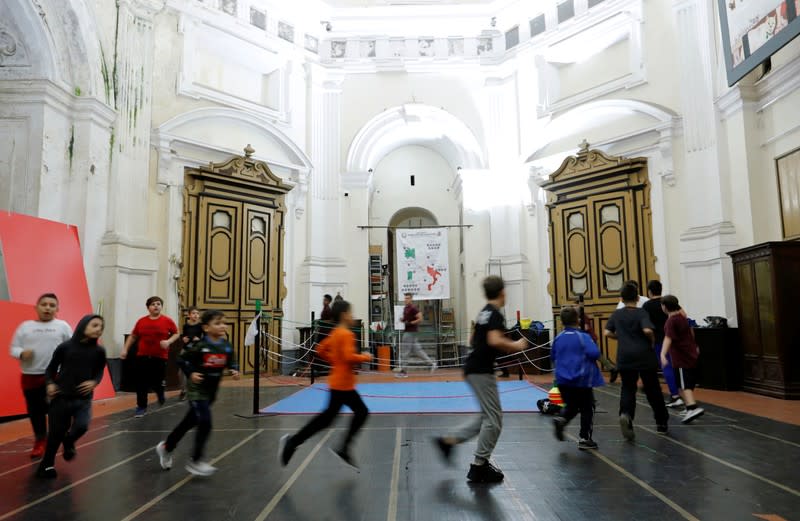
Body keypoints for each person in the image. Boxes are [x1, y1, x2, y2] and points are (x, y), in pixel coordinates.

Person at [433, 276, 527, 483]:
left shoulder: (483, 312)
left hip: (474, 367)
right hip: (481, 370)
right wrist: (517, 346)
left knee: (486, 417)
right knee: (494, 420)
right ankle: (479, 465)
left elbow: (473, 340)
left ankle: (448, 441)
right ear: (502, 292)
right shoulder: (494, 314)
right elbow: (494, 340)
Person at [279, 299, 372, 469]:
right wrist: (366, 357)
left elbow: (321, 349)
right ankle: (343, 447)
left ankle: (294, 441)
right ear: (344, 315)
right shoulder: (346, 334)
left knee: (327, 419)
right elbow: (348, 357)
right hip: (343, 385)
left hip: (339, 383)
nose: (352, 316)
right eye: (351, 313)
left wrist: (334, 362)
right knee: (361, 412)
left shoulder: (336, 333)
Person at [156, 310, 240, 476]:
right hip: (197, 391)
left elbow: (232, 361)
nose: (222, 326)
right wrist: (191, 373)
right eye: (217, 323)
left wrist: (233, 370)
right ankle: (196, 460)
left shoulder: (226, 346)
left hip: (211, 392)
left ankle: (166, 447)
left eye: (224, 322)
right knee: (205, 422)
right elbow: (182, 359)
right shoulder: (200, 346)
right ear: (206, 328)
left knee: (188, 422)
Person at [36, 314, 107, 478]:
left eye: (101, 327)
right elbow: (50, 369)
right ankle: (47, 465)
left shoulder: (99, 351)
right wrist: (50, 384)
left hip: (83, 399)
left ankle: (69, 442)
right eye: (95, 325)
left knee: (82, 426)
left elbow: (99, 371)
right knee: (55, 434)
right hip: (61, 397)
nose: (99, 330)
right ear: (83, 326)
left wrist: (94, 382)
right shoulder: (65, 347)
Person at [9, 293, 72, 458]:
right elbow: (13, 348)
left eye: (52, 305)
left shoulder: (63, 326)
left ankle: (65, 440)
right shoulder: (25, 326)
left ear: (57, 309)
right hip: (30, 376)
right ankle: (40, 441)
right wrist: (22, 353)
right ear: (36, 307)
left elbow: (71, 348)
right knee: (35, 412)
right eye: (44, 304)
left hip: (56, 377)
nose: (47, 307)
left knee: (58, 412)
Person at [604, 283, 669, 440]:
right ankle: (661, 422)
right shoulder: (641, 312)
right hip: (644, 354)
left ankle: (626, 414)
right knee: (652, 388)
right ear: (637, 297)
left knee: (627, 388)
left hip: (625, 355)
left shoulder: (617, 314)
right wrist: (652, 340)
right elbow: (647, 330)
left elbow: (607, 332)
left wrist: (621, 337)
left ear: (622, 298)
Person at [552, 306, 605, 450]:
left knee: (572, 406)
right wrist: (610, 365)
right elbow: (594, 353)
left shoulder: (558, 338)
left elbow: (553, 357)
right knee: (588, 406)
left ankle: (562, 418)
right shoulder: (583, 337)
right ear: (578, 320)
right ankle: (585, 438)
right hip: (580, 380)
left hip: (563, 380)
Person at [121, 296, 180, 417]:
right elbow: (133, 336)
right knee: (141, 382)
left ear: (161, 306)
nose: (156, 306)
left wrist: (168, 342)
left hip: (160, 356)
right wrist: (125, 349)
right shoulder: (141, 321)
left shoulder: (167, 321)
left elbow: (176, 333)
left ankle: (160, 393)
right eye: (153, 304)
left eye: (158, 304)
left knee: (157, 381)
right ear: (148, 307)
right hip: (142, 355)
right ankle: (141, 407)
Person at [660, 295, 705, 424]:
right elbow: (690, 332)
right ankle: (688, 407)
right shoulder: (682, 318)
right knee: (680, 384)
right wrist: (694, 345)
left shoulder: (671, 321)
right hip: (689, 354)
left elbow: (668, 338)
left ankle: (692, 407)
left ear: (664, 307)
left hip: (681, 357)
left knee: (685, 385)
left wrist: (663, 354)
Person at [641, 281, 682, 408]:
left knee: (666, 367)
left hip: (659, 339)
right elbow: (683, 315)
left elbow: (645, 324)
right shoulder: (667, 302)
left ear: (649, 291)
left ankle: (675, 395)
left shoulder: (646, 306)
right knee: (675, 366)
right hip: (673, 338)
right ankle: (680, 392)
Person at [575, 295, 618, 382]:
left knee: (597, 356)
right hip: (586, 340)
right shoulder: (579, 317)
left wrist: (576, 327)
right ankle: (609, 369)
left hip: (590, 339)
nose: (574, 307)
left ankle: (611, 369)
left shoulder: (583, 316)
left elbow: (586, 327)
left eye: (575, 305)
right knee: (594, 357)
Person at [396, 293, 436, 376]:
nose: (406, 300)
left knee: (405, 352)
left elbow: (420, 318)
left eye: (408, 298)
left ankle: (404, 371)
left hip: (410, 333)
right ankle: (431, 364)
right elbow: (406, 319)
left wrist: (411, 323)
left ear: (411, 299)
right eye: (405, 298)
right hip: (409, 332)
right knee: (418, 351)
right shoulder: (405, 308)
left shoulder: (413, 308)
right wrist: (402, 320)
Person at [179, 307, 203, 401]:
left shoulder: (201, 326)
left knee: (197, 369)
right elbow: (184, 337)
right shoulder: (186, 325)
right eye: (193, 313)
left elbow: (205, 339)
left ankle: (196, 390)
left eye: (197, 313)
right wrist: (184, 339)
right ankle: (183, 390)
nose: (196, 315)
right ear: (189, 315)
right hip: (187, 349)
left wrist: (199, 340)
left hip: (197, 350)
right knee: (181, 370)